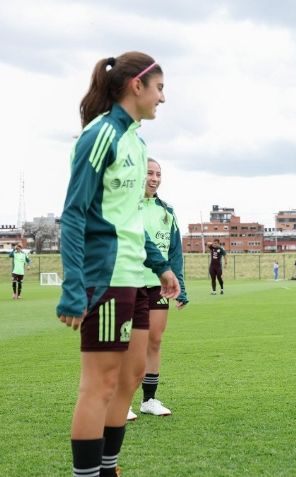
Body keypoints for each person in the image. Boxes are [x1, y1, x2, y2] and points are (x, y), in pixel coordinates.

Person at [57, 52, 179, 477]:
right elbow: (74, 214)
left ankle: (108, 468)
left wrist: (161, 266)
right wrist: (74, 287)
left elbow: (128, 219)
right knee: (101, 384)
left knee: (128, 380)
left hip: (137, 278)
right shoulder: (100, 135)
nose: (163, 98)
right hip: (106, 278)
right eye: (160, 88)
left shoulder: (136, 140)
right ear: (137, 86)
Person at [127, 158, 188, 420]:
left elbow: (175, 251)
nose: (154, 178)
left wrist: (180, 286)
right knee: (131, 343)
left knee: (155, 340)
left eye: (158, 174)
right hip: (129, 281)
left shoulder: (167, 211)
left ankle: (149, 400)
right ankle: (122, 401)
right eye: (149, 173)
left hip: (158, 285)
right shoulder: (127, 206)